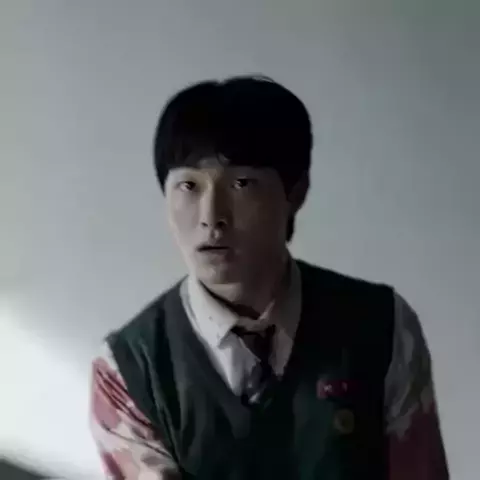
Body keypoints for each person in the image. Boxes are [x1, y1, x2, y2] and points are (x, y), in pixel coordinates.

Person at [90, 76, 449, 479]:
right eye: (188, 185)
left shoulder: (383, 328)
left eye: (241, 183)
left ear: (296, 192)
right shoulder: (128, 371)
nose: (212, 217)